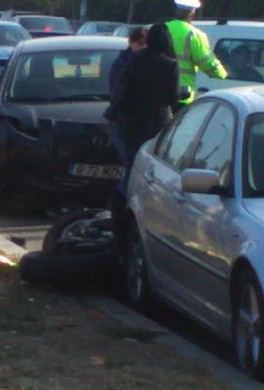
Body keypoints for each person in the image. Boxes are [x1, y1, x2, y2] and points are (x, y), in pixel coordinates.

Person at [109, 23, 179, 247]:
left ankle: (121, 212)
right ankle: (149, 209)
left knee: (132, 167)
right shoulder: (170, 65)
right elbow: (172, 98)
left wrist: (119, 110)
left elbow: (120, 90)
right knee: (155, 169)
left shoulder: (136, 60)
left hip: (131, 123)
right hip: (156, 125)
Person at [166, 0, 226, 111]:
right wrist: (223, 74)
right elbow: (207, 62)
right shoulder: (194, 34)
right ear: (192, 13)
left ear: (176, 9)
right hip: (182, 94)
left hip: (158, 94)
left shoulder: (161, 29)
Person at [106, 27, 146, 185]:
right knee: (129, 165)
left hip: (134, 122)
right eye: (140, 43)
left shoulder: (144, 62)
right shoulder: (122, 63)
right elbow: (118, 93)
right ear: (131, 42)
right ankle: (120, 201)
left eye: (146, 44)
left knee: (132, 167)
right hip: (121, 121)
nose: (143, 47)